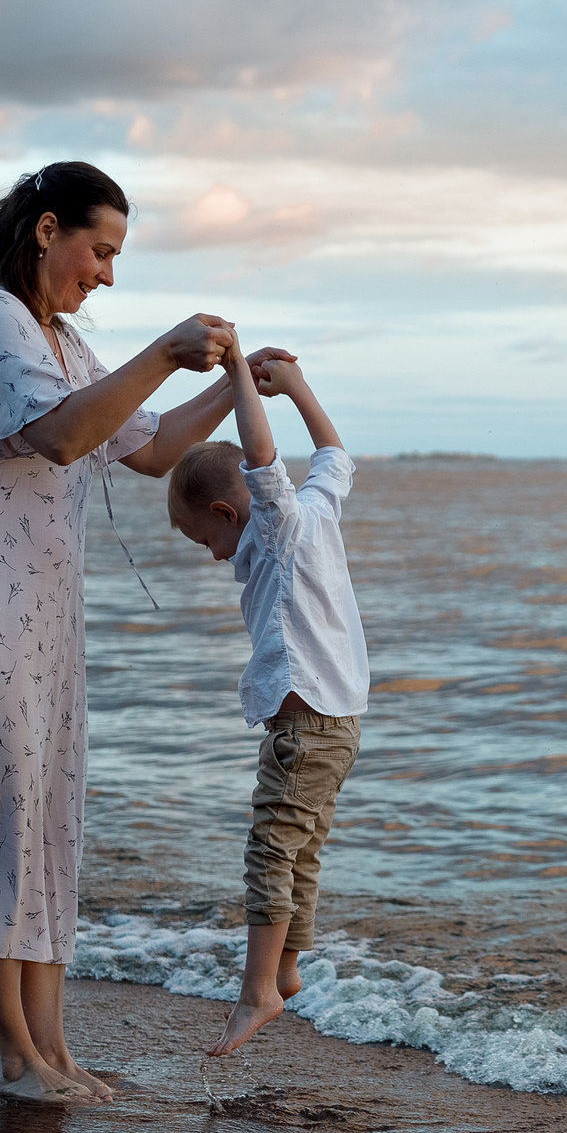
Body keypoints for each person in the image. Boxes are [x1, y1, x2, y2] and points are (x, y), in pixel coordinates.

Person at [0, 161, 288, 1103]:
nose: (108, 274)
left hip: (42, 613)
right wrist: (165, 351)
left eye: (118, 258)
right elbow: (59, 435)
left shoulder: (60, 339)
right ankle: (14, 1056)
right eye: (102, 250)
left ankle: (52, 1050)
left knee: (45, 824)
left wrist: (236, 384)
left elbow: (149, 447)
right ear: (48, 229)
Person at [165, 338, 367, 1060]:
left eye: (206, 540)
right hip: (340, 722)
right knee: (301, 851)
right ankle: (285, 969)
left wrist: (237, 373)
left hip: (304, 723)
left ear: (228, 512)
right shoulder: (317, 510)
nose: (214, 555)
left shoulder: (279, 523)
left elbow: (260, 458)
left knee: (270, 850)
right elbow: (335, 457)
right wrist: (299, 387)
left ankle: (257, 992)